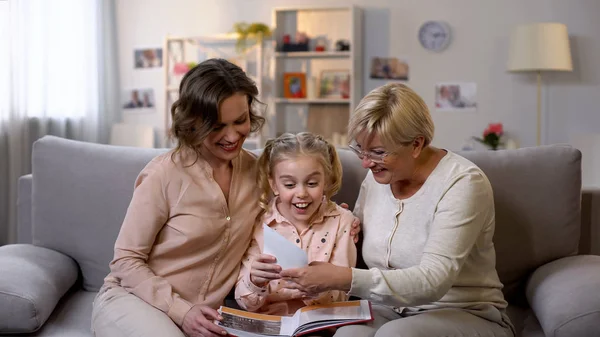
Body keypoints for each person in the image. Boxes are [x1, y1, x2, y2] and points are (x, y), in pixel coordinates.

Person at [91, 58, 360, 337]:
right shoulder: (163, 175)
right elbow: (125, 260)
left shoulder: (258, 173)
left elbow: (292, 207)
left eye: (240, 121)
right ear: (194, 123)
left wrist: (337, 217)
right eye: (218, 126)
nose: (232, 136)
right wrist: (181, 311)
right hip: (138, 302)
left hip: (210, 318)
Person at [279, 83, 515, 337]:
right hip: (390, 309)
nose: (367, 162)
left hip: (463, 311)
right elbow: (356, 247)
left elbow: (433, 280)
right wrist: (339, 227)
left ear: (416, 145)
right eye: (360, 149)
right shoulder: (377, 178)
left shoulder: (463, 184)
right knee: (348, 335)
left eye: (378, 152)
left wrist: (343, 278)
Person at [235, 132, 357, 316]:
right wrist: (254, 280)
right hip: (270, 325)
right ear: (274, 185)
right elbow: (245, 302)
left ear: (326, 180)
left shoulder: (342, 222)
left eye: (312, 183)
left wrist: (316, 288)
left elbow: (341, 297)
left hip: (318, 325)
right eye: (290, 185)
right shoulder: (259, 223)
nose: (301, 193)